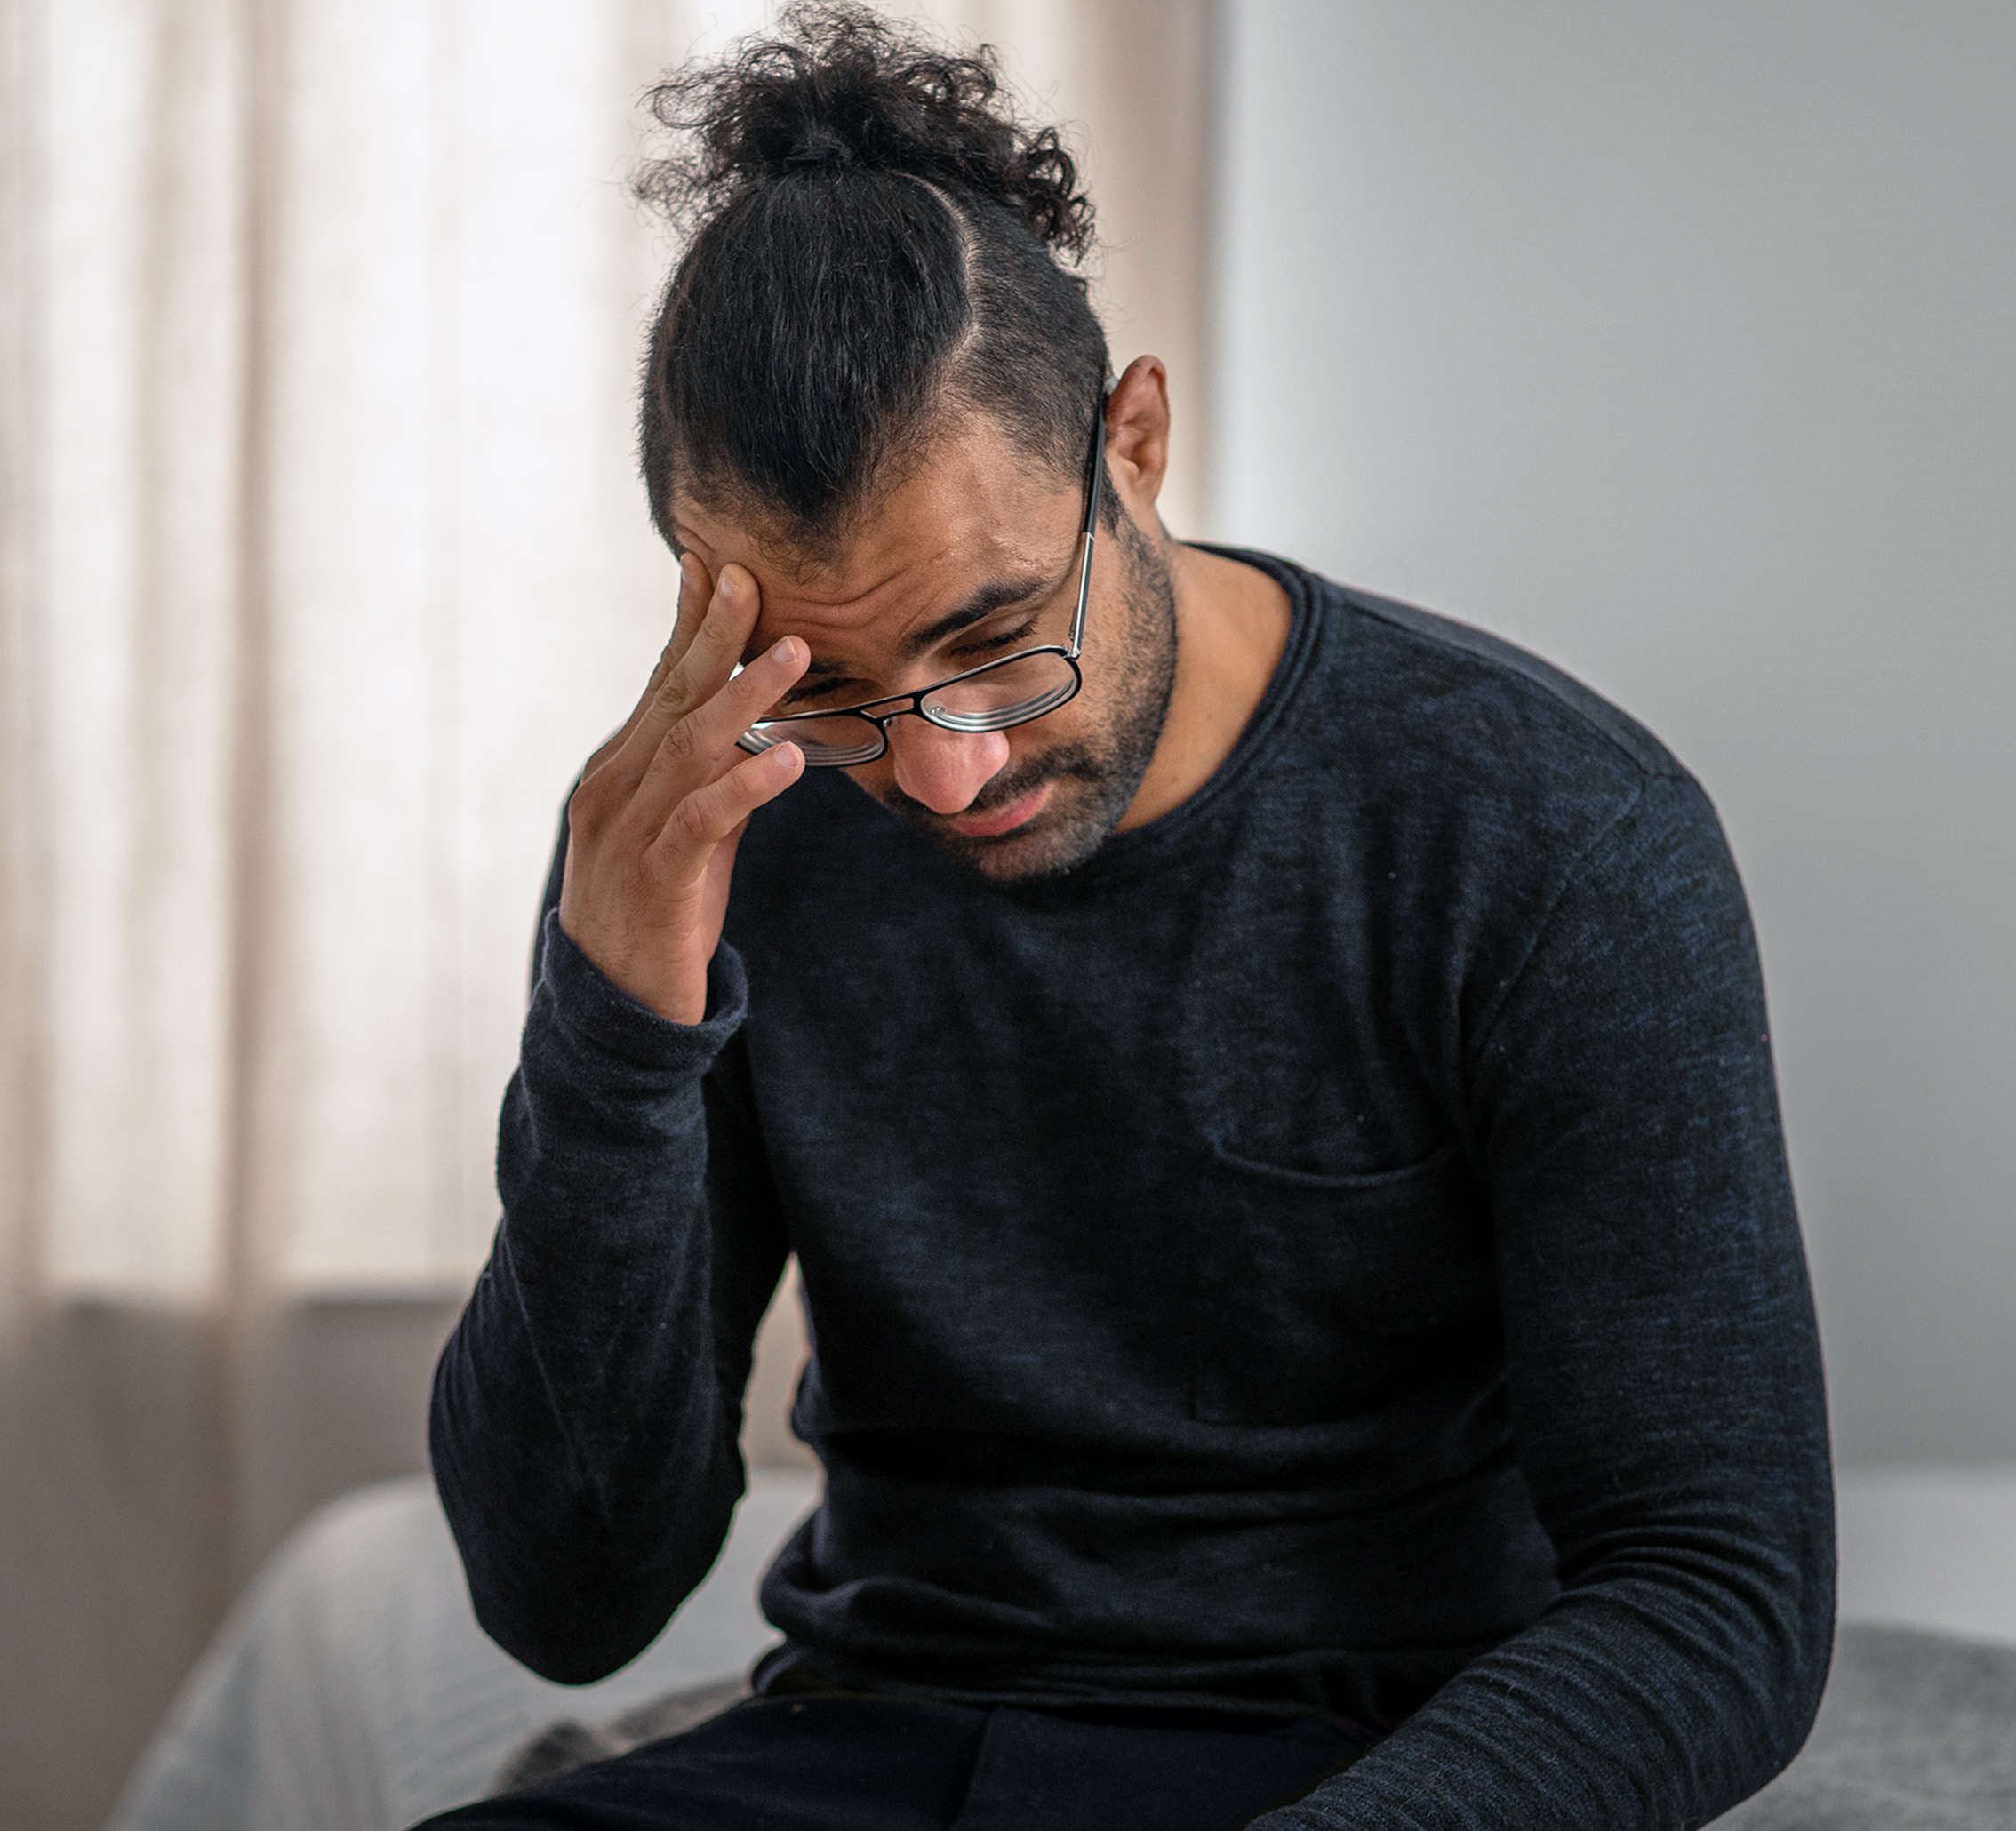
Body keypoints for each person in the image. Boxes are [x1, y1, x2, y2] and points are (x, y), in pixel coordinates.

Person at [423, 6, 1836, 1827]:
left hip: (1377, 1767)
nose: (933, 773)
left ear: (1135, 441)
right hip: (871, 1731)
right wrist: (615, 1031)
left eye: (993, 639)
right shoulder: (702, 834)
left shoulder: (1548, 832)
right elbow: (567, 1599)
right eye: (823, 684)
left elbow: (1714, 1593)